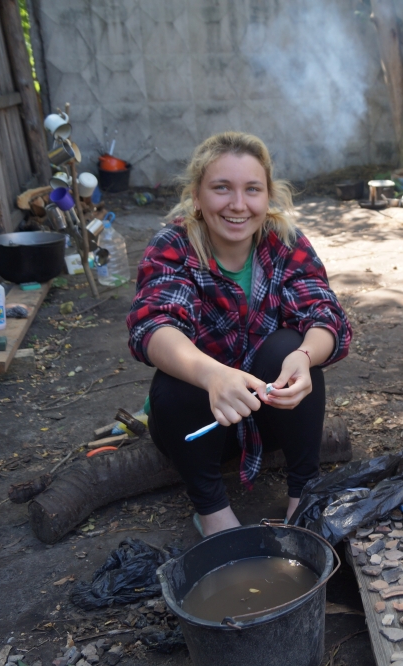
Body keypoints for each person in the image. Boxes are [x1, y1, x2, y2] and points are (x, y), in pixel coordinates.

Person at [127, 131, 351, 537]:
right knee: (175, 381)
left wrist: (304, 356)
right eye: (221, 188)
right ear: (197, 196)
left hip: (268, 418)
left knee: (290, 347)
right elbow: (154, 324)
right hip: (198, 426)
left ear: (268, 196)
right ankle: (213, 513)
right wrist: (213, 375)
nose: (238, 204)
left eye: (252, 189)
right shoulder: (174, 245)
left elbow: (324, 314)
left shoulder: (285, 243)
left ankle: (304, 497)